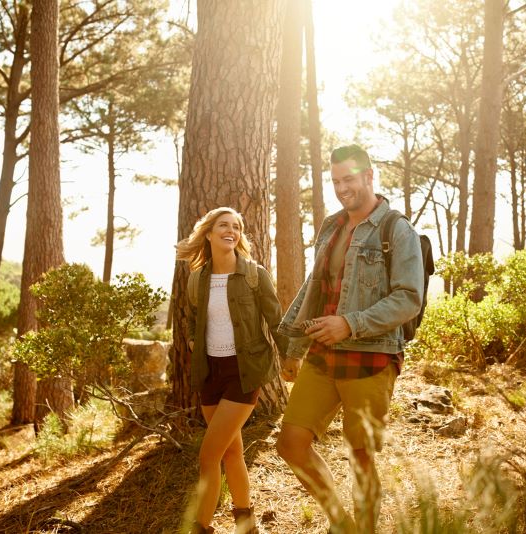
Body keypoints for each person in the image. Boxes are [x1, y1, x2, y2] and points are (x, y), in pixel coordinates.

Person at [276, 145, 424, 533]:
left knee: (360, 458)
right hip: (323, 354)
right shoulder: (332, 225)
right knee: (291, 442)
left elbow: (409, 297)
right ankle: (343, 524)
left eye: (350, 179)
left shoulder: (396, 228)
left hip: (371, 357)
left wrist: (351, 323)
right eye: (336, 181)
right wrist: (295, 347)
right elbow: (315, 287)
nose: (343, 188)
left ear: (369, 175)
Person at [177, 206, 288, 534]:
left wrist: (290, 359)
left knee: (208, 456)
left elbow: (275, 319)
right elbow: (193, 320)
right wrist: (195, 342)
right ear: (208, 233)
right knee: (231, 451)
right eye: (224, 225)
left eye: (236, 227)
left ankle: (201, 527)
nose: (232, 230)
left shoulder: (254, 274)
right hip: (211, 373)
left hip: (245, 371)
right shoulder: (198, 278)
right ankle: (246, 523)